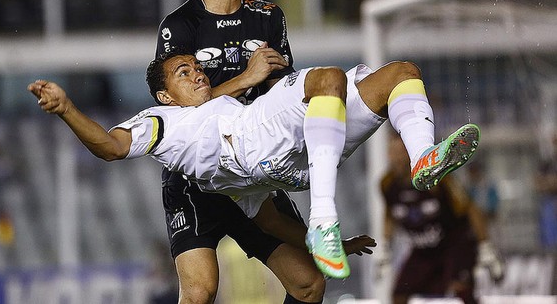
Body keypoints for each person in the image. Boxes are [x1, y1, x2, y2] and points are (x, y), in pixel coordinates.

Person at [28, 48, 479, 279]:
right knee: (328, 79)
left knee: (400, 73)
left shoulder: (220, 113)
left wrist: (321, 241)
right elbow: (109, 146)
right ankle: (325, 216)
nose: (198, 72)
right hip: (253, 138)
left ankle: (423, 159)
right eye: (184, 72)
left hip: (298, 164)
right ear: (164, 96)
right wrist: (67, 107)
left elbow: (265, 217)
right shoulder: (162, 121)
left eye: (197, 66)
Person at [154, 0, 326, 304]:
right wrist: (245, 78)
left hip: (253, 172)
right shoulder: (179, 26)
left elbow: (282, 93)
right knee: (200, 292)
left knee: (310, 285)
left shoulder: (268, 17)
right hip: (198, 175)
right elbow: (178, 112)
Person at [379, 132, 504, 304]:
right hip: (422, 250)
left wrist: (485, 246)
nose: (395, 157)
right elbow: (389, 214)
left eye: (400, 151)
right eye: (391, 152)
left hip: (454, 244)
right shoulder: (387, 183)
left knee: (461, 290)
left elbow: (470, 208)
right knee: (399, 295)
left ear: (410, 152)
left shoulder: (437, 179)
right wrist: (384, 248)